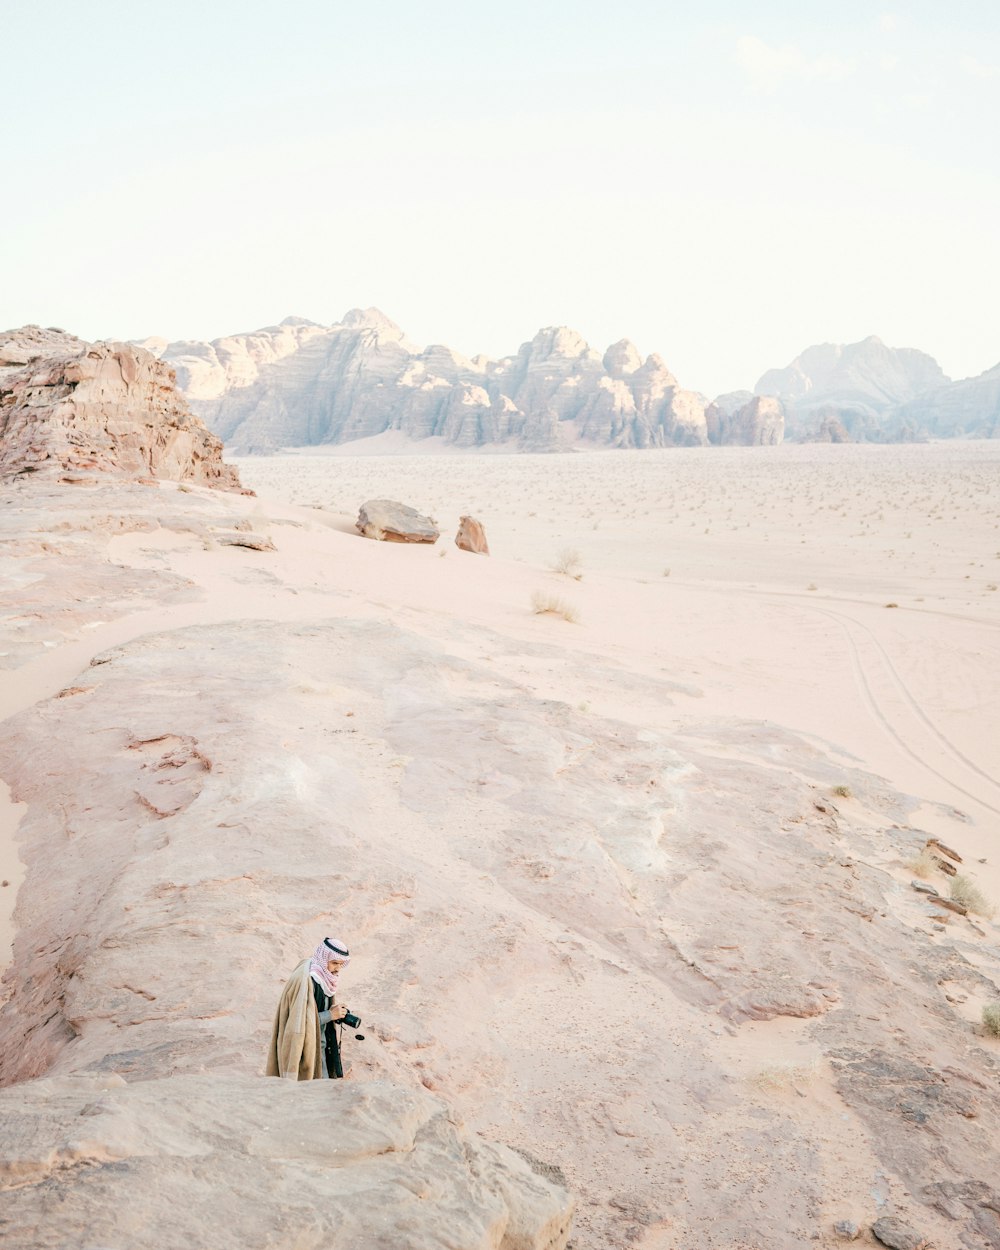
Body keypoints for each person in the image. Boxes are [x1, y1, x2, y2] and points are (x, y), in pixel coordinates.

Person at [266, 937, 350, 1080]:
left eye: (341, 964)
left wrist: (333, 1011)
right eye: (335, 963)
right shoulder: (308, 980)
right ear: (324, 959)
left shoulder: (323, 977)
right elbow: (298, 1022)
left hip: (321, 1045)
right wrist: (330, 1015)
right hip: (308, 1049)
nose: (337, 968)